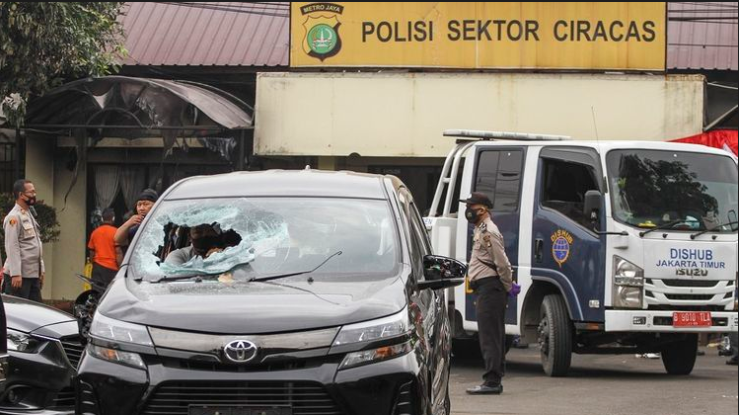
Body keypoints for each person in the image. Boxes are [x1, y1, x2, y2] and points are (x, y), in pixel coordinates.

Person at [462, 192, 513, 396]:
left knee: (489, 335)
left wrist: (507, 286)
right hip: (489, 287)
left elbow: (502, 262)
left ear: (482, 209)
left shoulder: (488, 232)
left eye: (471, 206)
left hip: (491, 287)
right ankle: (494, 378)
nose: (468, 210)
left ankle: (492, 381)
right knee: (493, 333)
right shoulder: (481, 229)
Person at [2, 179, 45, 302]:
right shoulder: (13, 217)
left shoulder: (29, 214)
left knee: (36, 312)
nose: (34, 195)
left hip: (32, 274)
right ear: (21, 195)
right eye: (31, 192)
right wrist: (15, 273)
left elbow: (36, 244)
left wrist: (41, 270)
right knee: (19, 313)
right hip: (19, 276)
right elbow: (12, 246)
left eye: (35, 192)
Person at [114, 189, 158, 266]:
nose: (141, 208)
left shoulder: (162, 223)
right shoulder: (136, 226)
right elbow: (117, 239)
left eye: (146, 204)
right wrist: (128, 223)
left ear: (156, 205)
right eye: (139, 204)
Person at [87, 208, 119, 291]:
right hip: (112, 268)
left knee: (96, 292)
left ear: (102, 219)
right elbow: (119, 251)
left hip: (98, 267)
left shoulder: (95, 232)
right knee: (110, 293)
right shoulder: (117, 232)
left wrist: (92, 263)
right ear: (113, 218)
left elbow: (91, 252)